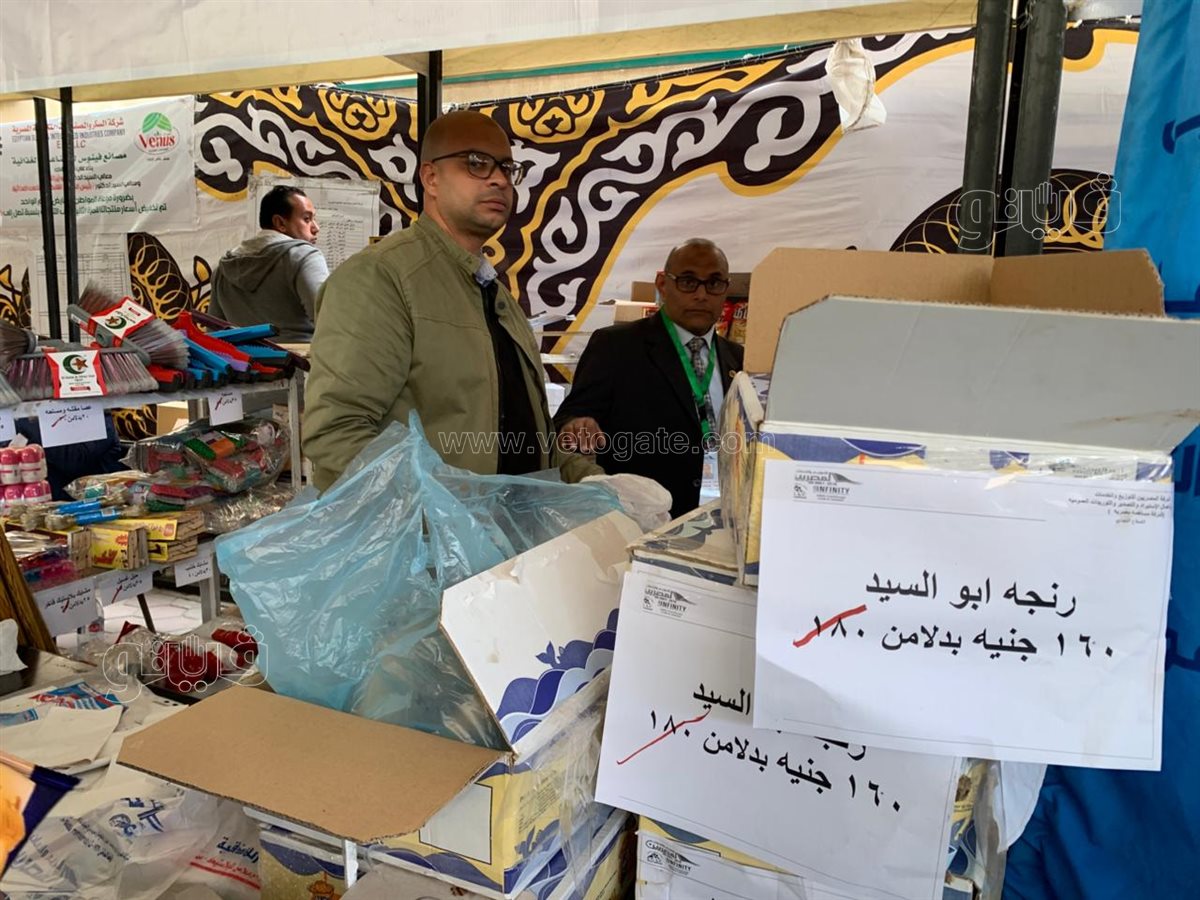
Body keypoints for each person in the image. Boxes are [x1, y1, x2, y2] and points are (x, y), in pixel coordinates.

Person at [302, 110, 600, 492]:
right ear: (431, 178)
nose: (499, 179)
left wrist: (591, 482)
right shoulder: (380, 278)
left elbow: (522, 431)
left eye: (507, 168)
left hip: (510, 524)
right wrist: (446, 515)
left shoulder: (495, 294)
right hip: (432, 530)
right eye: (476, 163)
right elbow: (337, 433)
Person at [554, 239, 744, 519]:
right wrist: (577, 424)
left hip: (719, 518)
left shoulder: (737, 359)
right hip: (638, 518)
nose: (701, 294)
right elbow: (569, 419)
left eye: (714, 283)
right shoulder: (615, 345)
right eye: (688, 282)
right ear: (663, 284)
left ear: (726, 289)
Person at [209, 185, 329, 342]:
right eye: (307, 219)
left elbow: (214, 333)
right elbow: (330, 320)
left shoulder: (222, 270)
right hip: (303, 356)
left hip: (246, 358)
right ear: (280, 223)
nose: (316, 228)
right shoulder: (304, 257)